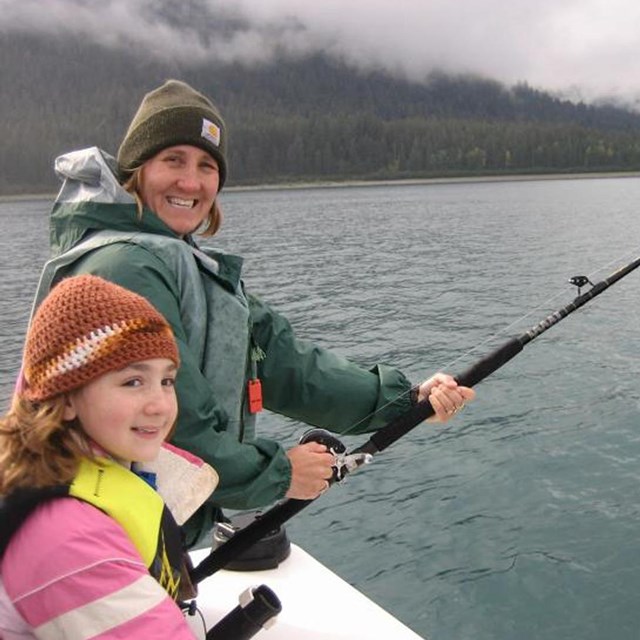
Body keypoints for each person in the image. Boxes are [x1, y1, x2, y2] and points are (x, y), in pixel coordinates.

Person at [32, 79, 476, 546]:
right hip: (100, 537)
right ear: (136, 171)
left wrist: (405, 403)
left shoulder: (181, 264)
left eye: (206, 165)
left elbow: (289, 365)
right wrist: (279, 474)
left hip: (146, 528)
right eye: (173, 160)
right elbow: (166, 423)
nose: (190, 181)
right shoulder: (122, 269)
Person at [0, 274, 217, 638]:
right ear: (66, 398)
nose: (161, 405)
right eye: (133, 381)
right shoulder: (69, 540)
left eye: (167, 380)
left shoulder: (46, 470)